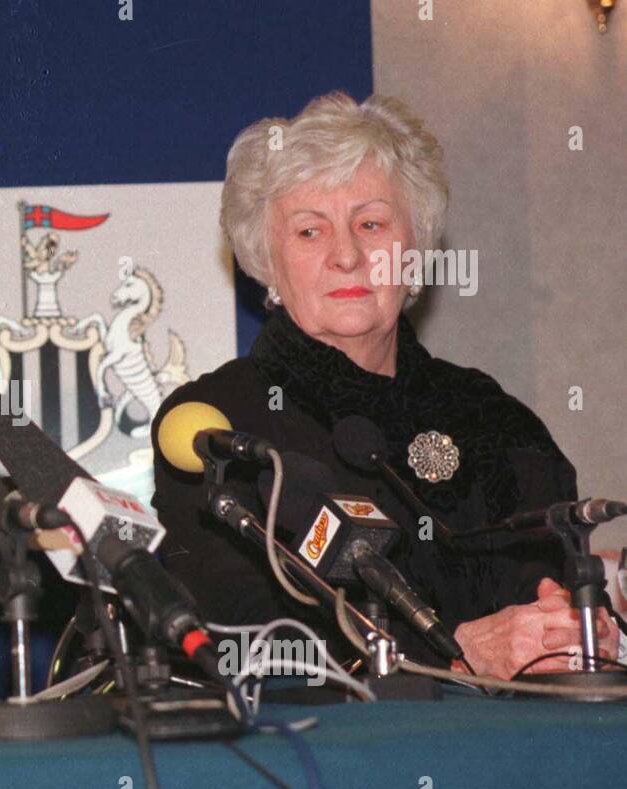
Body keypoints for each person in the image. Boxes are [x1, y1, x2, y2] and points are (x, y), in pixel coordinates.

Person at [152, 92, 616, 679]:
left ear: (414, 248)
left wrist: (566, 628)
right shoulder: (216, 425)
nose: (347, 255)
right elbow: (243, 638)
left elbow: (547, 585)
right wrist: (454, 656)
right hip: (325, 759)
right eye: (309, 232)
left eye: (371, 223)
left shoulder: (493, 415)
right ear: (266, 262)